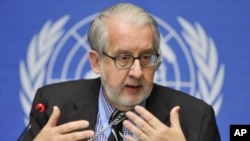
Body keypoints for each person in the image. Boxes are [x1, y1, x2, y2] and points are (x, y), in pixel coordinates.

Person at [20, 3, 221, 141]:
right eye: (123, 58)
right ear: (96, 61)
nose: (137, 72)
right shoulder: (53, 106)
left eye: (146, 57)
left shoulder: (195, 117)